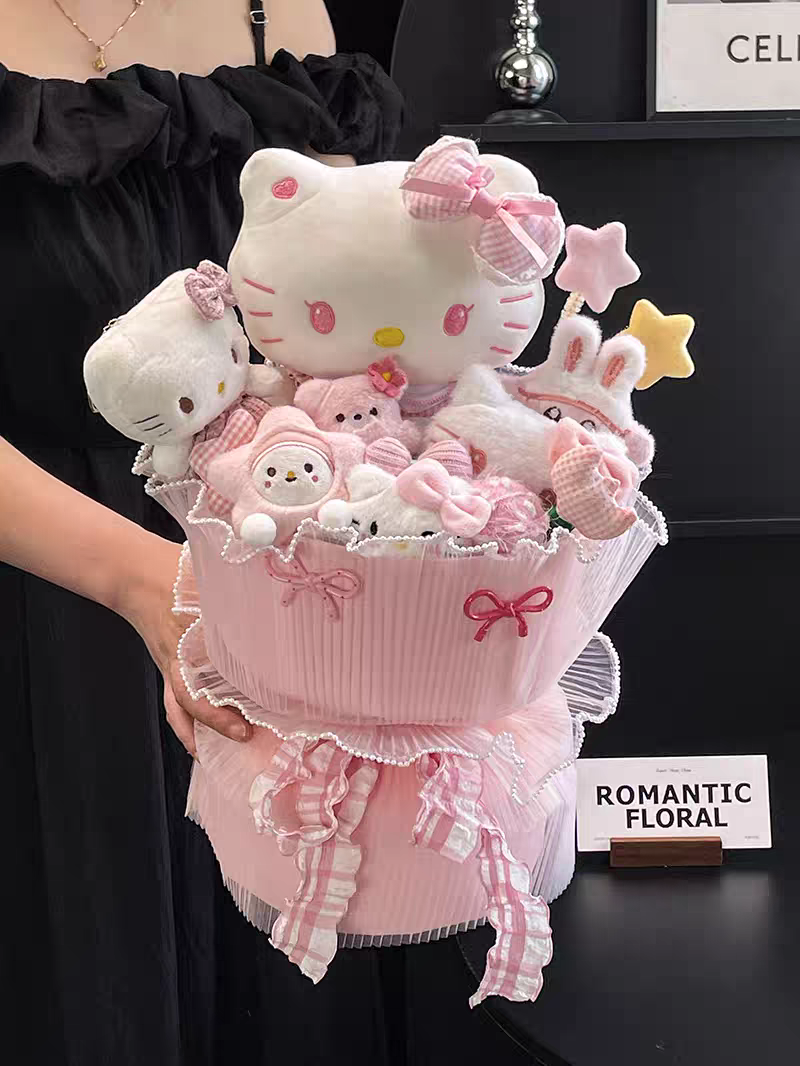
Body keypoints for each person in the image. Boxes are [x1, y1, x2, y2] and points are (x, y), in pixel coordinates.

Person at [0, 3, 412, 1063]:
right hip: (43, 605)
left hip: (275, 581)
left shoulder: (277, 13)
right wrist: (152, 582)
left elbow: (353, 323)